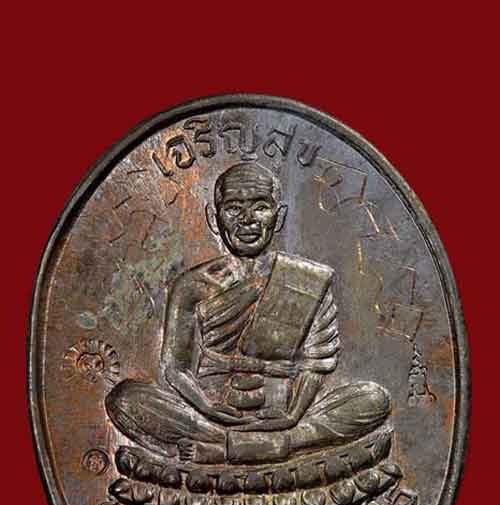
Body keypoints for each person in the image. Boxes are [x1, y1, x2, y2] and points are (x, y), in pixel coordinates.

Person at [106, 163, 390, 467]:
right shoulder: (191, 286)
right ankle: (267, 447)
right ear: (214, 219)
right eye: (233, 208)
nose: (247, 220)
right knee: (125, 399)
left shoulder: (308, 279)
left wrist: (292, 415)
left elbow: (317, 362)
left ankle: (237, 448)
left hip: (284, 416)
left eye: (260, 207)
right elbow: (174, 368)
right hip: (212, 415)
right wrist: (207, 407)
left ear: (279, 217)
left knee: (373, 400)